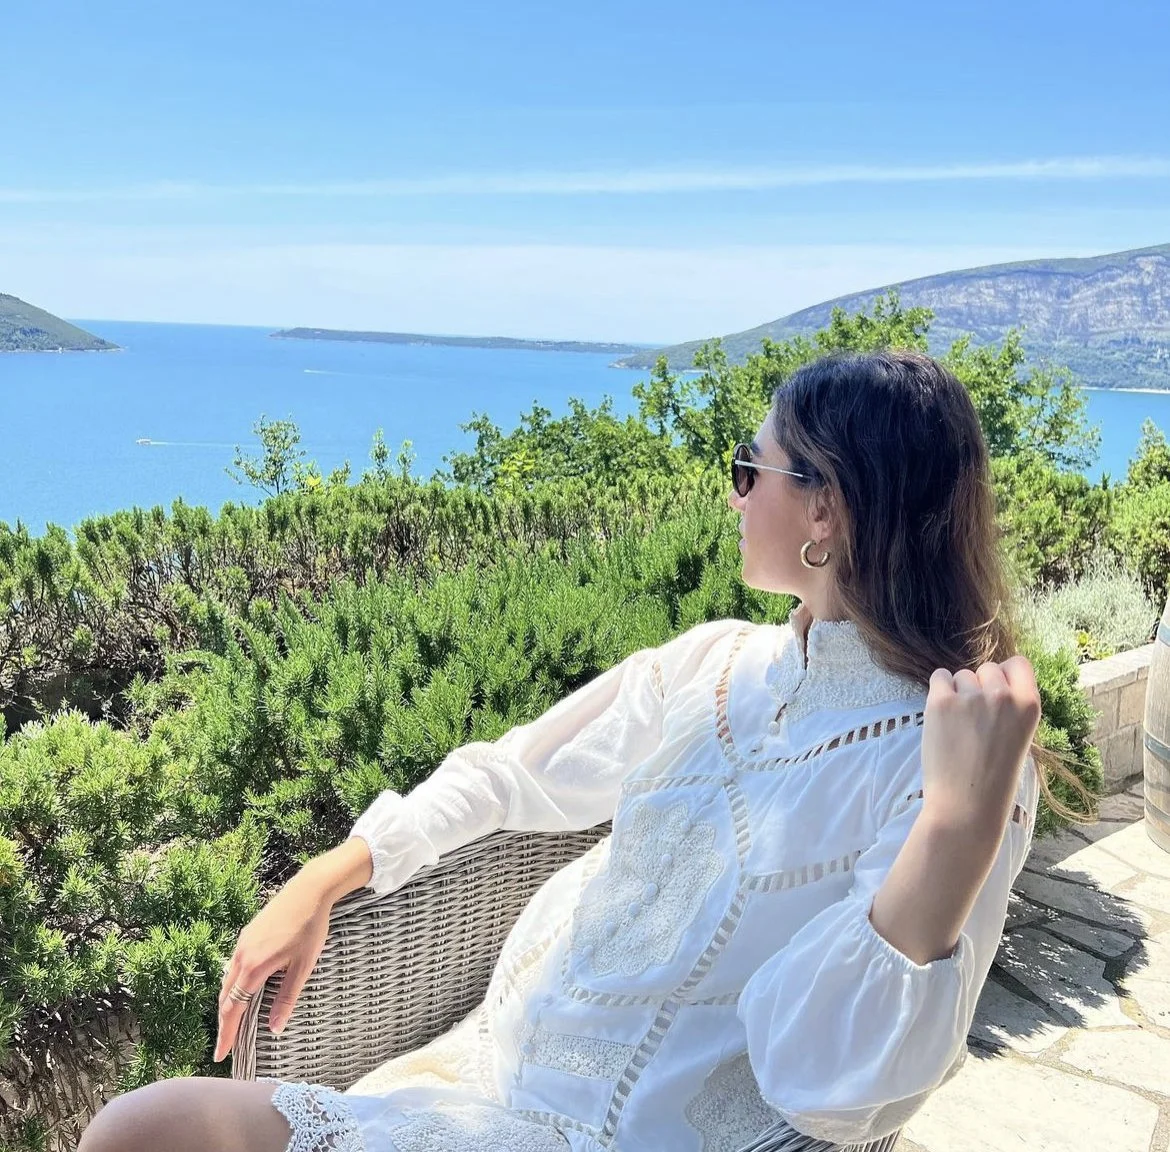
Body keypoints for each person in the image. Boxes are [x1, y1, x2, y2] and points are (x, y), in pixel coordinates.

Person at [80, 349, 1068, 1152]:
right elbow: (515, 772)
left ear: (825, 509)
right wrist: (329, 876)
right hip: (483, 1079)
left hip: (627, 1136)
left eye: (746, 469)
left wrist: (957, 824)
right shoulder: (717, 665)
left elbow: (837, 1094)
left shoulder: (952, 761)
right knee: (145, 1127)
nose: (732, 497)